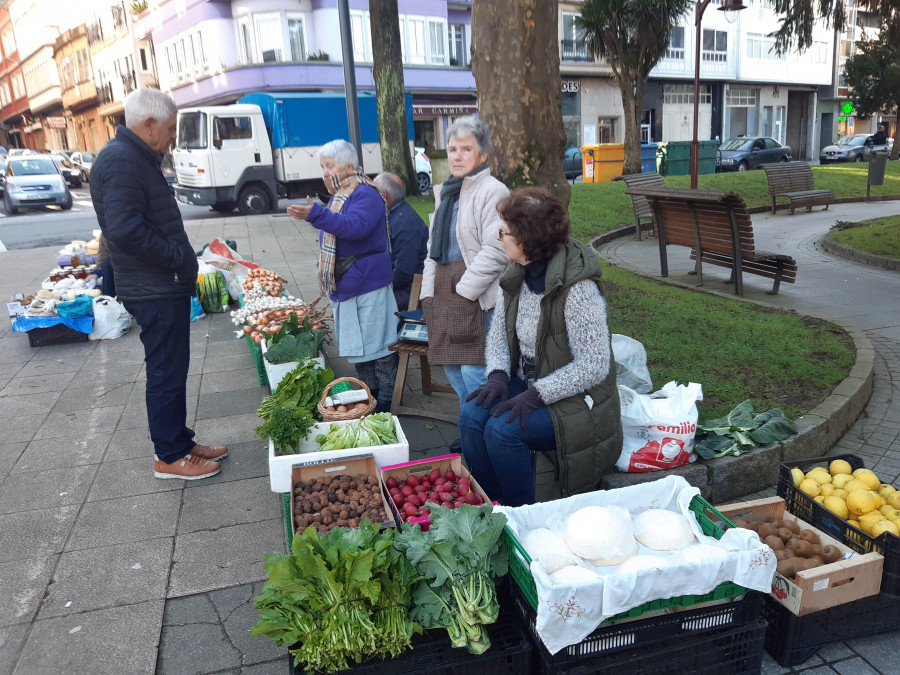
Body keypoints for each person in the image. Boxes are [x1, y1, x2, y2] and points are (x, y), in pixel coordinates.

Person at [91, 88, 227, 480]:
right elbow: (126, 231)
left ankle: (180, 442)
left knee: (173, 368)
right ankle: (169, 456)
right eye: (169, 129)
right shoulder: (122, 161)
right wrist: (175, 257)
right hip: (153, 285)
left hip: (159, 282)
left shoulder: (135, 157)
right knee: (166, 371)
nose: (172, 138)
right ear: (148, 123)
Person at [460, 187, 622, 507]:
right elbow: (498, 337)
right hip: (530, 382)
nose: (498, 238)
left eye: (504, 232)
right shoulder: (515, 276)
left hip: (578, 398)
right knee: (470, 417)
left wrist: (535, 395)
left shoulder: (578, 289)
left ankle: (522, 512)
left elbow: (594, 365)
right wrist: (496, 376)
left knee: (502, 431)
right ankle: (492, 500)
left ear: (529, 240)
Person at [286, 140, 398, 412]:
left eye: (330, 166)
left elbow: (355, 227)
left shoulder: (367, 194)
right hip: (348, 284)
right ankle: (367, 394)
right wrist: (319, 217)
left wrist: (318, 215)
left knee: (380, 347)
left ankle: (386, 400)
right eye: (323, 166)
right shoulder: (340, 195)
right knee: (358, 347)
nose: (325, 172)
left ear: (349, 166)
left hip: (367, 283)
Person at [420, 116, 509, 410]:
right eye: (452, 148)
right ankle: (471, 429)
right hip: (444, 291)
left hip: (476, 294)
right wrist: (428, 294)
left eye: (466, 149)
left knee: (475, 372)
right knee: (452, 369)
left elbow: (496, 251)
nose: (457, 156)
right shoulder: (446, 192)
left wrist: (463, 292)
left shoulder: (493, 190)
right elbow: (433, 247)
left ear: (483, 154)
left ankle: (486, 435)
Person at [373, 172, 428, 311]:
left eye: (372, 192)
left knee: (367, 303)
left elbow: (403, 273)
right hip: (402, 284)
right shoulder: (395, 214)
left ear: (383, 195)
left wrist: (377, 286)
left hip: (411, 289)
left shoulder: (404, 223)